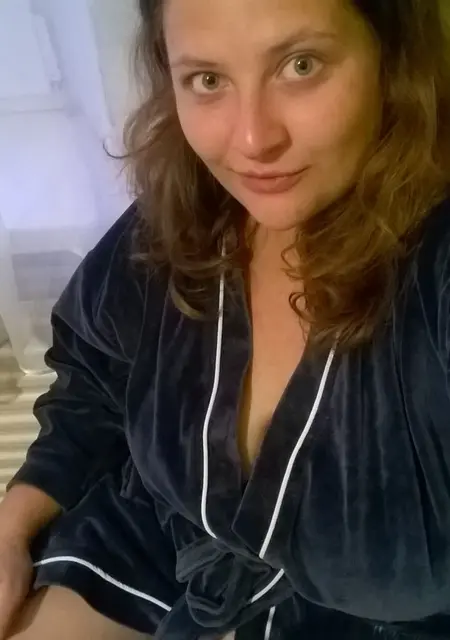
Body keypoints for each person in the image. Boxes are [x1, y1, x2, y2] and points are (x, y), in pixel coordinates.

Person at [1, 0, 450, 637]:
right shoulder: (183, 216)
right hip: (159, 552)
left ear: (393, 55)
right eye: (208, 79)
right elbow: (95, 386)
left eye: (300, 65)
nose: (252, 142)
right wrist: (11, 528)